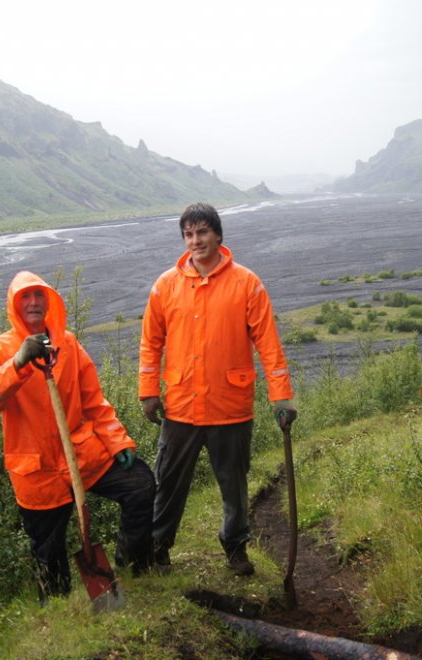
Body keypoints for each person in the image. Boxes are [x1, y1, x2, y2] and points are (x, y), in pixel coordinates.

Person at [0, 270, 155, 600]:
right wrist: (18, 363)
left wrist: (118, 441)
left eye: (39, 295)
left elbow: (94, 401)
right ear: (14, 306)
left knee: (140, 484)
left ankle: (133, 568)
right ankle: (58, 609)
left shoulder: (67, 344)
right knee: (48, 549)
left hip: (82, 456)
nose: (33, 302)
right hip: (36, 470)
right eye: (24, 297)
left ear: (50, 302)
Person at [139, 202, 297, 576]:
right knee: (169, 484)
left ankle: (235, 547)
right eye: (189, 234)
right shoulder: (165, 286)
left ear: (218, 235)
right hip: (179, 408)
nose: (196, 240)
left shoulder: (247, 283)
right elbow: (150, 343)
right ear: (184, 239)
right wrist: (148, 391)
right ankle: (159, 548)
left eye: (202, 232)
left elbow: (269, 345)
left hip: (231, 406)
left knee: (234, 486)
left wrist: (282, 397)